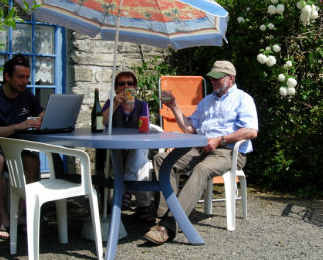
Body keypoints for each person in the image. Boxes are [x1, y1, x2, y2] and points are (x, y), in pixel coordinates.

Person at [143, 60, 258, 245]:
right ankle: (163, 215)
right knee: (161, 160)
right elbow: (190, 130)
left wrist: (220, 139)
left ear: (231, 78)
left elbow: (251, 131)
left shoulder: (243, 99)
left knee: (202, 169)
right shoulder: (206, 101)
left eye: (218, 78)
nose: (213, 81)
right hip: (200, 149)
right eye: (212, 78)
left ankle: (169, 226)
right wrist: (174, 106)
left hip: (228, 152)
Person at [0, 54, 44, 240]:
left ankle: (21, 216)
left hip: (16, 148)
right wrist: (18, 126)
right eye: (20, 77)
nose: (25, 82)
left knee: (32, 160)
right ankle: (3, 217)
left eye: (27, 77)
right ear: (7, 76)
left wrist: (47, 116)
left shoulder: (27, 96)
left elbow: (41, 113)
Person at [102, 71, 155, 222]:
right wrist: (116, 103)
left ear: (135, 87)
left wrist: (132, 108)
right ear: (116, 88)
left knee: (140, 152)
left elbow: (145, 128)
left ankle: (125, 189)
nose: (126, 86)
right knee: (143, 162)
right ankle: (143, 206)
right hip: (116, 149)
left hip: (136, 146)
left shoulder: (142, 105)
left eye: (129, 83)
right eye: (121, 84)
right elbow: (102, 123)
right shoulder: (110, 103)